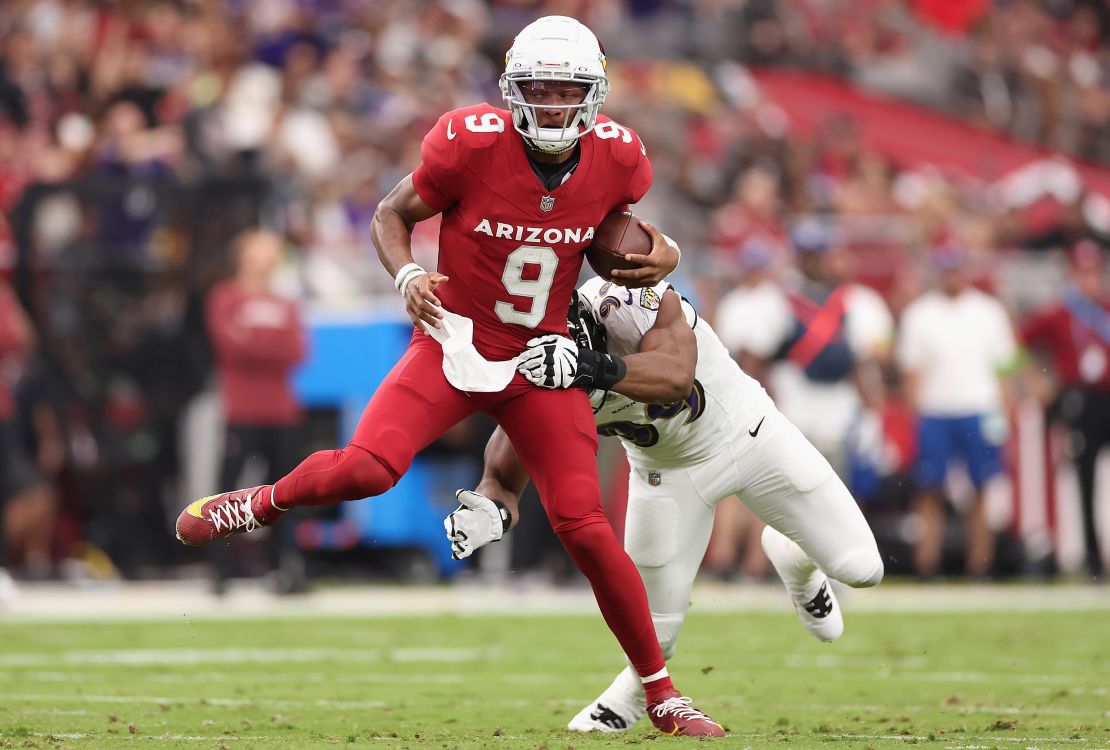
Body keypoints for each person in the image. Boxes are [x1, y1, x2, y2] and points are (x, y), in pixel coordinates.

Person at [175, 16, 722, 737]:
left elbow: (612, 245)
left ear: (594, 95)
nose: (554, 106)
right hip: (454, 342)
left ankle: (662, 695)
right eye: (540, 90)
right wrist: (405, 273)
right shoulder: (469, 143)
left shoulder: (619, 159)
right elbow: (389, 212)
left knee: (586, 527)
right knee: (368, 470)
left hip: (541, 359)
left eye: (568, 91)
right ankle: (263, 504)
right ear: (511, 90)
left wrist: (669, 252)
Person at [444, 276, 884, 733]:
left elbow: (676, 377)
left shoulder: (626, 303)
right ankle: (628, 696)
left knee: (863, 569)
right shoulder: (540, 378)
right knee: (655, 633)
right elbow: (503, 477)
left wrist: (588, 366)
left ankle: (794, 556)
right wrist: (491, 508)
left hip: (750, 435)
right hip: (664, 474)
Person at [897, 243, 1018, 578]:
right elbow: (911, 373)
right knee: (929, 490)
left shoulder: (988, 311)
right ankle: (927, 564)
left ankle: (980, 565)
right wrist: (915, 415)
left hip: (980, 407)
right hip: (935, 409)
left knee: (981, 489)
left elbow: (1005, 366)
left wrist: (1006, 409)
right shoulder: (920, 313)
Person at [204, 228, 308, 595]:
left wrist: (253, 339)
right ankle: (219, 571)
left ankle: (282, 569)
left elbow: (296, 351)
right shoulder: (224, 297)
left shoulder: (286, 302)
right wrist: (268, 344)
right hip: (241, 410)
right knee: (228, 494)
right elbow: (229, 346)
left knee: (283, 494)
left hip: (281, 412)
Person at [1020, 241, 1110, 580]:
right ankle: (1092, 560)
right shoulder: (1060, 313)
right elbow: (1020, 343)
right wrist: (1038, 380)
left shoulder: (1104, 309)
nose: (1090, 280)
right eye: (1083, 273)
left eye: (1094, 272)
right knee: (1084, 479)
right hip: (1080, 399)